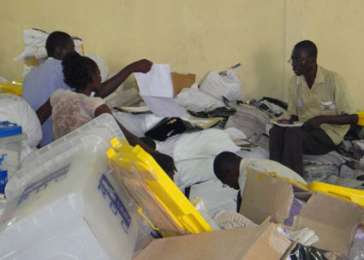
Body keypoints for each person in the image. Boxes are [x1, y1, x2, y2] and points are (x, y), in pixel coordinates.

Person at [38, 52, 175, 177]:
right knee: (148, 145)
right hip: (89, 162)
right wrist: (155, 155)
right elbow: (125, 135)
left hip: (64, 159)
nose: (101, 77)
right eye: (98, 74)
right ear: (92, 77)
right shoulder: (95, 104)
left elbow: (36, 120)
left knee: (145, 143)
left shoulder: (57, 96)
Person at [24, 31, 152, 146]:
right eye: (72, 49)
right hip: (58, 142)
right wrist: (131, 68)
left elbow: (36, 119)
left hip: (38, 141)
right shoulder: (63, 69)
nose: (75, 53)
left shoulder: (30, 74)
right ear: (59, 50)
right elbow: (96, 93)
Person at [269, 40, 358, 176]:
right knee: (276, 131)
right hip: (305, 129)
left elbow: (353, 117)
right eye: (292, 59)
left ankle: (293, 180)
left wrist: (321, 119)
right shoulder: (295, 82)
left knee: (293, 135)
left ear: (312, 60)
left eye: (298, 59)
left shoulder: (333, 80)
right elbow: (294, 114)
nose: (293, 64)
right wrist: (286, 121)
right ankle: (274, 173)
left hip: (328, 134)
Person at [213, 151, 306, 195]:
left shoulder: (247, 177)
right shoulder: (254, 162)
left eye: (226, 183)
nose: (230, 186)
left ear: (229, 173)